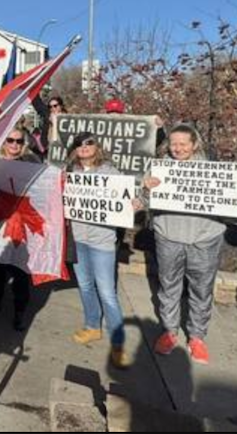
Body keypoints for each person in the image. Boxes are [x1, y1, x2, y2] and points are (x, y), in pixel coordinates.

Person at [142, 123, 237, 365]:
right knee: (168, 288)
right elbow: (143, 204)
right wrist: (146, 190)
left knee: (202, 291)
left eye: (183, 144)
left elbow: (236, 217)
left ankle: (197, 337)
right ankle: (169, 332)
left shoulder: (216, 172)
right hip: (168, 237)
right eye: (173, 144)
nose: (178, 149)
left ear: (194, 144)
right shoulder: (158, 169)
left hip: (205, 241)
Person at [65, 132, 136, 369]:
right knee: (85, 286)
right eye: (79, 144)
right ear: (74, 150)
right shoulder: (70, 172)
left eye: (89, 143)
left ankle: (118, 344)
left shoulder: (111, 172)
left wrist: (136, 200)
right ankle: (92, 326)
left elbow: (128, 200)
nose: (84, 147)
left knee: (107, 293)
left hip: (102, 242)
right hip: (78, 240)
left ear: (97, 147)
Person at [0, 125, 41, 332]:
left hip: (22, 225)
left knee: (21, 271)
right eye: (10, 140)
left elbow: (43, 188)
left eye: (19, 141)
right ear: (4, 142)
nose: (14, 144)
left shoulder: (32, 162)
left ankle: (20, 311)